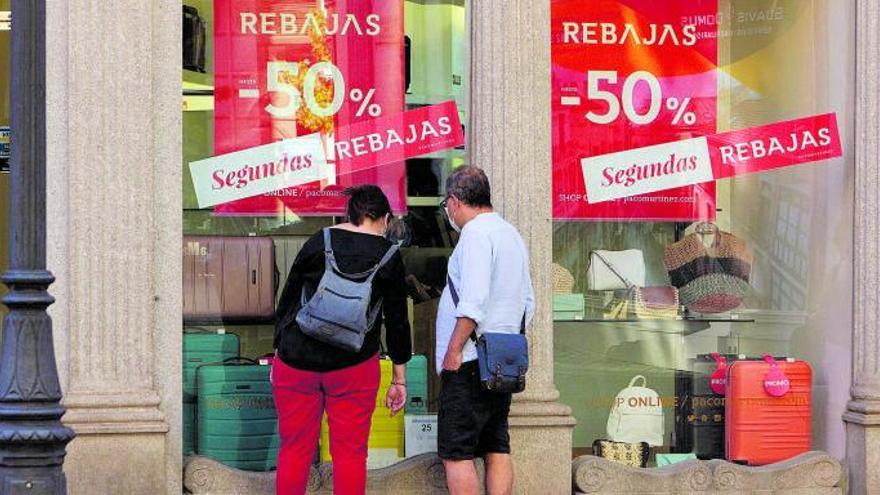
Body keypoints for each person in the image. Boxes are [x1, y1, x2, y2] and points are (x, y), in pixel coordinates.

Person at [272, 185, 411, 495]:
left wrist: (278, 348)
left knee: (294, 450)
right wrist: (399, 378)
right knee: (350, 455)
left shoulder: (317, 242)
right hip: (354, 367)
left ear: (349, 214)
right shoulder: (388, 255)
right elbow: (398, 321)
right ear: (384, 219)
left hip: (296, 362)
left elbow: (288, 300)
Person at [436, 166, 535, 495]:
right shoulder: (511, 234)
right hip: (502, 358)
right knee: (497, 445)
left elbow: (472, 301)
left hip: (469, 359)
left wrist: (453, 350)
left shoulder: (476, 234)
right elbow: (528, 302)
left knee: (457, 452)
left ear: (454, 201)